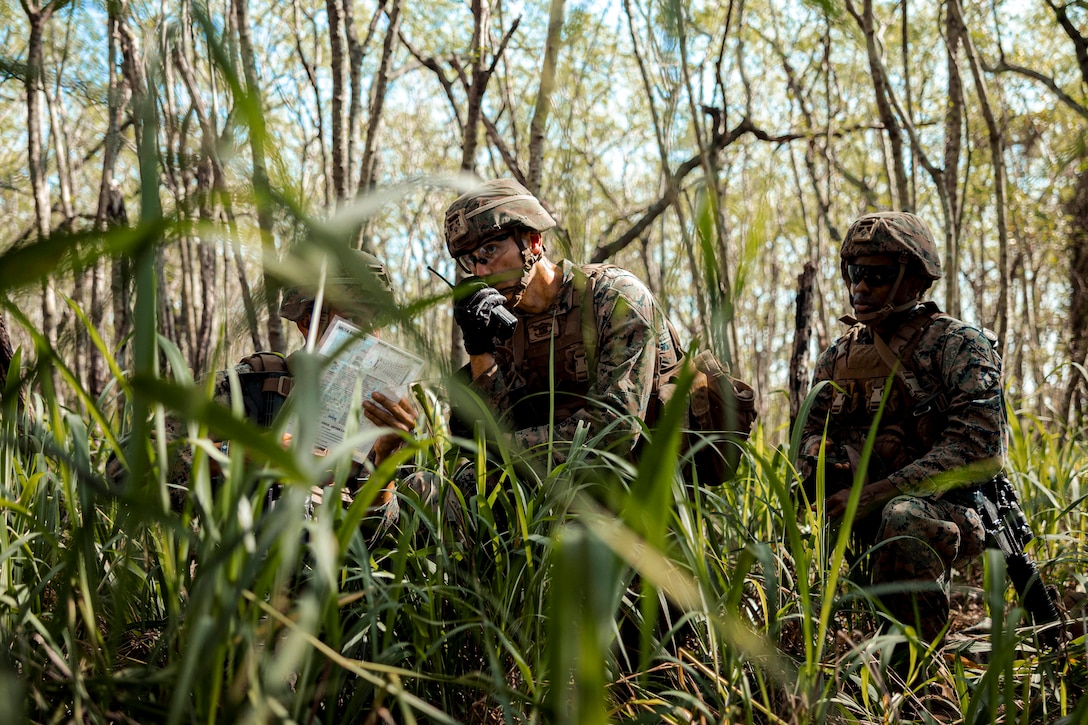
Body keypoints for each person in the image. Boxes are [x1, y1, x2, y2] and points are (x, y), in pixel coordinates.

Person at [797, 210, 1005, 644]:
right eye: (855, 273)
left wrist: (875, 493)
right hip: (858, 503)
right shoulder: (838, 356)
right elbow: (810, 434)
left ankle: (916, 665)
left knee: (903, 516)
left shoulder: (956, 344)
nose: (861, 287)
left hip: (948, 509)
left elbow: (977, 452)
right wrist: (826, 465)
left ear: (913, 279)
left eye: (878, 275)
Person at [111, 249, 419, 512]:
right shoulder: (242, 390)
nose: (368, 334)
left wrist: (383, 468)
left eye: (376, 321)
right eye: (353, 318)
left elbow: (393, 547)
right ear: (307, 321)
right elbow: (121, 469)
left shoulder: (386, 417)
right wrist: (237, 455)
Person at [443, 178, 679, 467]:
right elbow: (493, 430)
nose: (482, 270)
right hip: (549, 488)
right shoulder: (501, 324)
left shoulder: (613, 297)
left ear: (533, 241)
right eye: (472, 260)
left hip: (638, 485)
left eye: (490, 250)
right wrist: (478, 346)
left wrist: (501, 448)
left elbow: (615, 432)